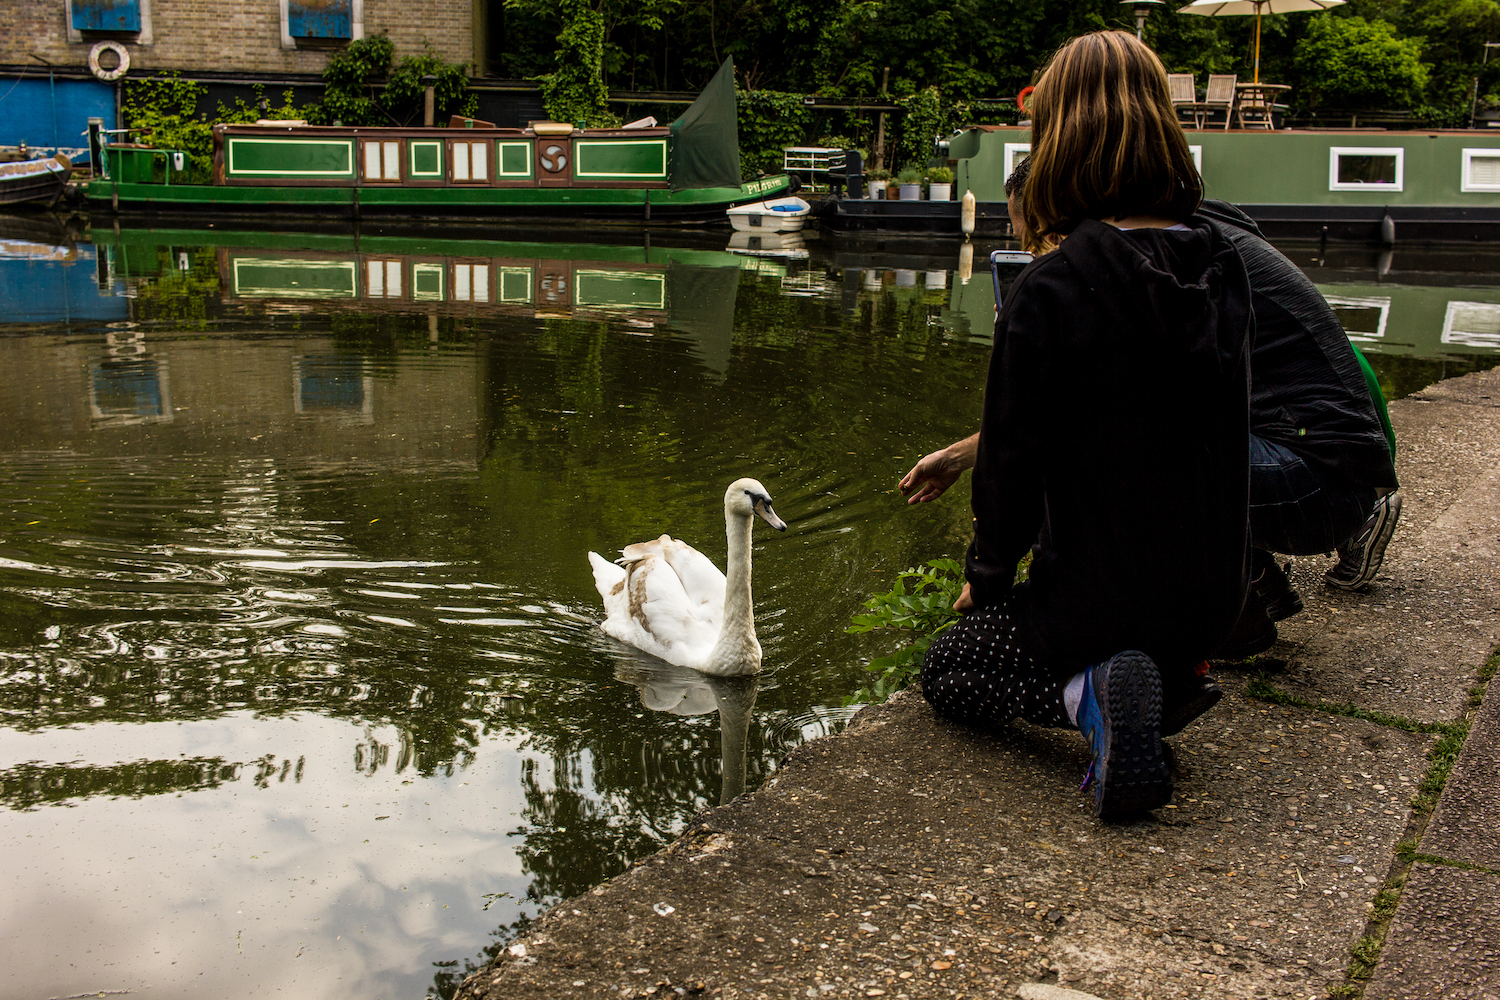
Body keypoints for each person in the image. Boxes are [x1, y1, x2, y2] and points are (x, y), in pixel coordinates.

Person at [912, 30, 1254, 820]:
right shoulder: (1224, 265)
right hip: (1213, 597)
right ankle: (1167, 679)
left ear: (1057, 136)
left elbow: (1013, 464)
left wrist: (988, 581)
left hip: (1096, 602)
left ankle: (1089, 690)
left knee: (952, 670)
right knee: (1145, 631)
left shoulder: (1051, 287)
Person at [905, 193, 1402, 660]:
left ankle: (1229, 617)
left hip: (1318, 479)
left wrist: (990, 575)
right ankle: (1254, 603)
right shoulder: (1191, 231)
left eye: (1036, 235)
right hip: (1325, 458)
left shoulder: (1149, 262)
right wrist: (958, 456)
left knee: (1092, 464)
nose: (1033, 249)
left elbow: (1062, 423)